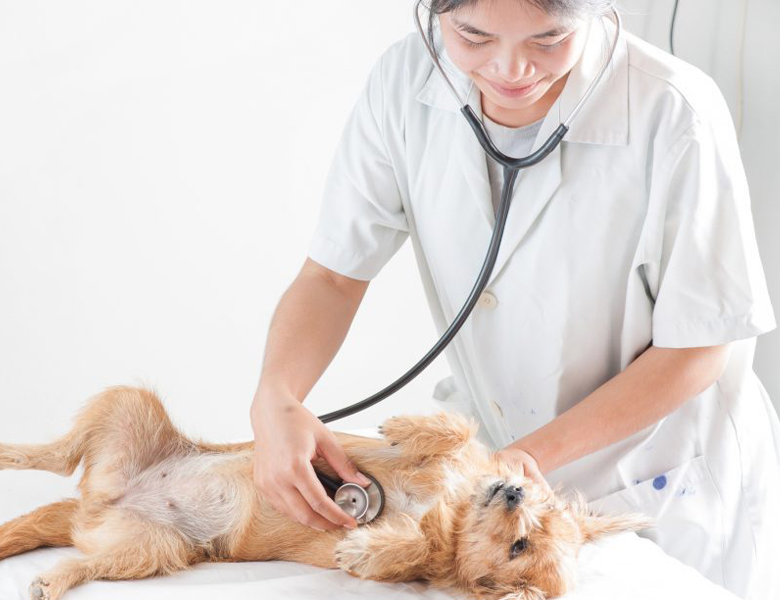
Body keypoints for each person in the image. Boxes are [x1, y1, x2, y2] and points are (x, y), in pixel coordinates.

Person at [248, 0, 779, 598]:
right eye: (472, 36)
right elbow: (333, 277)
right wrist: (277, 394)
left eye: (548, 40)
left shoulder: (673, 111)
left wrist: (525, 459)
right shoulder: (405, 83)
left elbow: (699, 348)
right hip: (500, 485)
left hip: (656, 474)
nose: (511, 69)